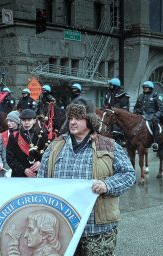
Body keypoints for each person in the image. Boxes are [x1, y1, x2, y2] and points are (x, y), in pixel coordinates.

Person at [38, 100, 135, 256]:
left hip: (97, 228)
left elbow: (128, 174)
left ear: (90, 120)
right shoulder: (55, 146)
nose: (72, 122)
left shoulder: (109, 145)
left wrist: (107, 185)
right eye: (70, 118)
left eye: (78, 118)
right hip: (62, 228)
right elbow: (41, 180)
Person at [7, 109, 49, 177]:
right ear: (20, 121)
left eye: (29, 120)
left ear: (34, 120)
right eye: (23, 120)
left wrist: (40, 162)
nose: (26, 123)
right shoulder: (14, 136)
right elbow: (10, 158)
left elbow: (47, 153)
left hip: (37, 174)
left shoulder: (43, 135)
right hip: (19, 176)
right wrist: (23, 169)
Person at [133, 80, 163, 151]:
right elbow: (136, 107)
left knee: (154, 122)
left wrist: (156, 115)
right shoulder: (140, 96)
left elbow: (161, 108)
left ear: (150, 88)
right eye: (143, 87)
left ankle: (155, 142)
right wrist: (136, 112)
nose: (144, 89)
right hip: (141, 115)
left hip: (152, 115)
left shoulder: (156, 96)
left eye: (146, 87)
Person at [0, 111, 21, 177]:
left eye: (11, 121)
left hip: (20, 168)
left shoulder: (23, 134)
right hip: (5, 167)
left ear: (17, 122)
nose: (9, 123)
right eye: (8, 121)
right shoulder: (2, 135)